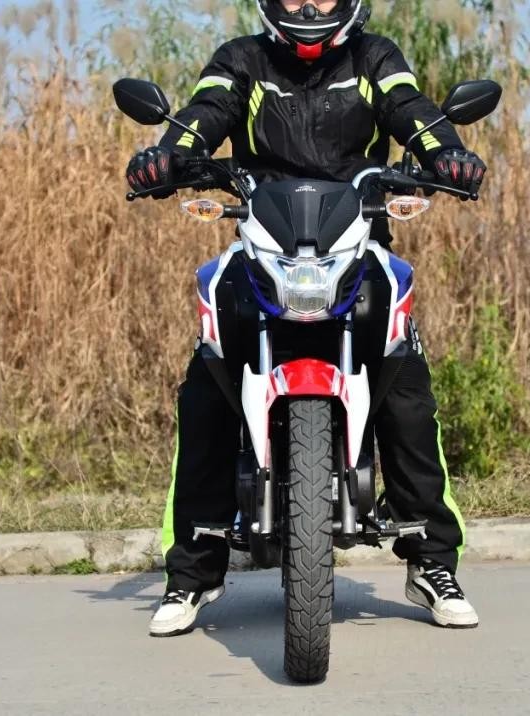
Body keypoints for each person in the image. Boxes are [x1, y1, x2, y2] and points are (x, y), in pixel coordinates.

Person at [125, 0, 488, 637]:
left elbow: (415, 112)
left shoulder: (373, 57)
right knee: (207, 385)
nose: (308, 6)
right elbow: (203, 114)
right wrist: (167, 155)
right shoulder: (244, 59)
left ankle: (431, 561)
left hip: (359, 246)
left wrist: (448, 154)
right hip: (261, 248)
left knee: (405, 388)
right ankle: (194, 571)